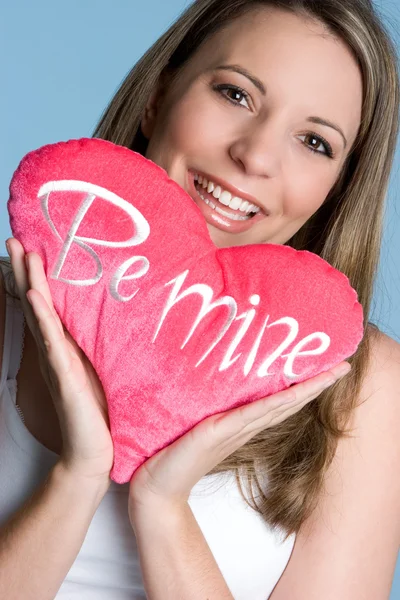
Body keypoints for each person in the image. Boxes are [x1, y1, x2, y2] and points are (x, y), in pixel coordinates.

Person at [1, 0, 399, 598]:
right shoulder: (6, 315)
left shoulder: (365, 387)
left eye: (314, 141)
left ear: (336, 187)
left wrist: (163, 506)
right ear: (159, 95)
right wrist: (78, 474)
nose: (256, 156)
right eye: (235, 95)